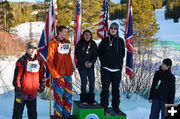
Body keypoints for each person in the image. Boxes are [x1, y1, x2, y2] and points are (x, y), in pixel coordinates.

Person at [12, 41, 45, 119]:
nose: (33, 50)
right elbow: (17, 77)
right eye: (31, 48)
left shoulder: (39, 61)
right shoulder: (21, 61)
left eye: (34, 49)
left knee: (33, 115)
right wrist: (18, 90)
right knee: (17, 114)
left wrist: (42, 83)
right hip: (22, 92)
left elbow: (41, 74)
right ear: (27, 49)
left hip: (32, 93)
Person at [98, 22, 125, 114]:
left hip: (117, 70)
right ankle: (104, 106)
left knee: (115, 90)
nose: (113, 30)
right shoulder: (105, 40)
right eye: (112, 28)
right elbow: (99, 53)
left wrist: (118, 64)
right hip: (106, 69)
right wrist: (105, 63)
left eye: (115, 28)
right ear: (109, 29)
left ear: (117, 31)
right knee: (105, 90)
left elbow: (123, 55)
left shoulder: (121, 41)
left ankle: (115, 107)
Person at [47, 26, 73, 119]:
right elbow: (50, 60)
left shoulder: (67, 42)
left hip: (68, 74)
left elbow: (68, 56)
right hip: (58, 75)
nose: (66, 33)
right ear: (59, 32)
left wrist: (71, 67)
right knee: (59, 98)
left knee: (68, 97)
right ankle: (58, 116)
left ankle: (66, 116)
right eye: (64, 32)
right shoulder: (53, 43)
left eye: (67, 31)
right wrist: (54, 74)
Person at [75, 30, 98, 104]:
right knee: (84, 82)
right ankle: (83, 99)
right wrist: (83, 62)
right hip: (82, 66)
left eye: (89, 35)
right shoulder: (80, 44)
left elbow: (95, 55)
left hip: (90, 66)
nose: (87, 36)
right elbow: (77, 55)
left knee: (92, 82)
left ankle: (91, 99)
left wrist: (91, 62)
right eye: (86, 34)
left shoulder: (93, 44)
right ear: (83, 35)